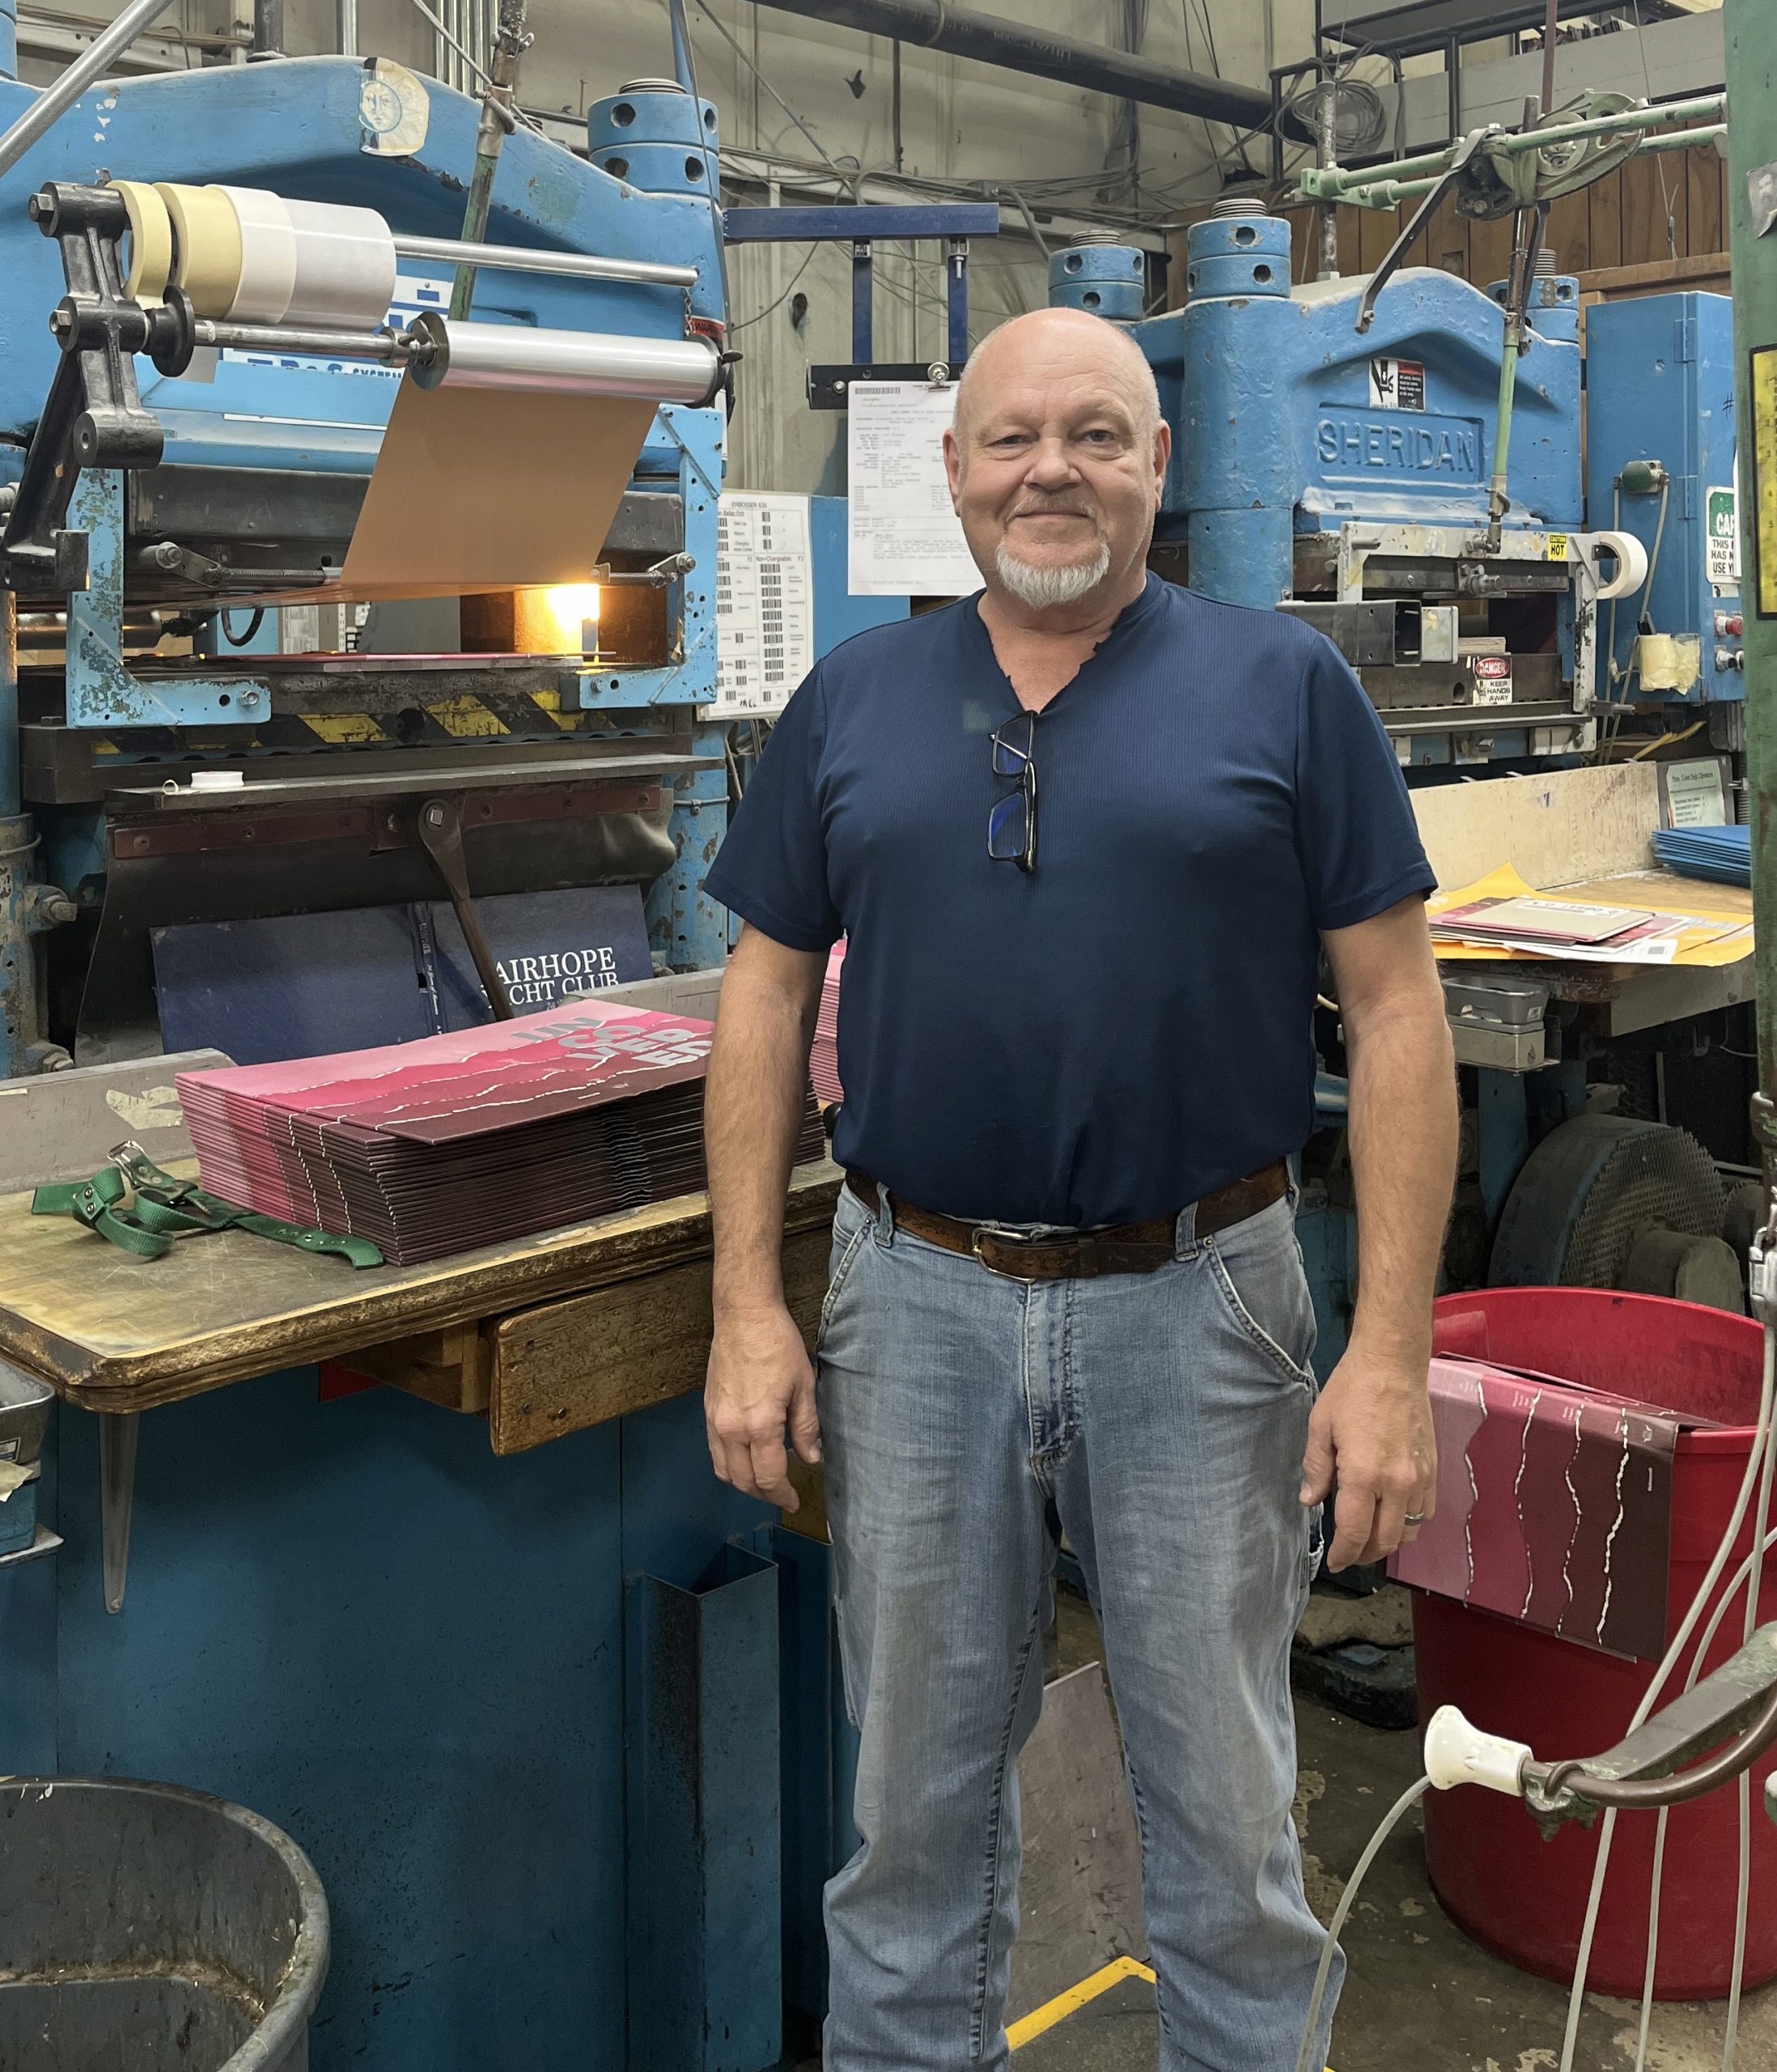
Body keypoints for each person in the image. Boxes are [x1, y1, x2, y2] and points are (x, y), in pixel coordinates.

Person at [700, 305, 1457, 2072]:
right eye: (1015, 437)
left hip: (1201, 1301)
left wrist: (1391, 1351)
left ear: (1160, 467)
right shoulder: (856, 699)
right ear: (954, 472)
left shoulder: (1286, 688)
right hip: (915, 1305)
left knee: (1228, 1827)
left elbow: (1401, 1006)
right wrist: (748, 1300)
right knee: (911, 1834)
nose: (1055, 468)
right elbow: (762, 985)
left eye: (1099, 435)